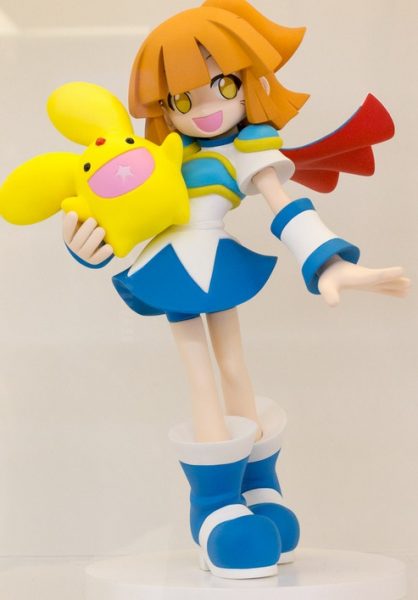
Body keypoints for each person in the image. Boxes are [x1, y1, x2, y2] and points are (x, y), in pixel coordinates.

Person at [63, 0, 409, 579]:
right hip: (167, 265)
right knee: (200, 372)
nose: (204, 110)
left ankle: (258, 485)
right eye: (182, 100)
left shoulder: (249, 152)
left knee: (233, 367)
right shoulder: (157, 157)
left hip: (218, 260)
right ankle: (213, 506)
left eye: (222, 86)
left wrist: (329, 263)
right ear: (163, 107)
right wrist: (84, 242)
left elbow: (285, 206)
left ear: (248, 82)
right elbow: (117, 214)